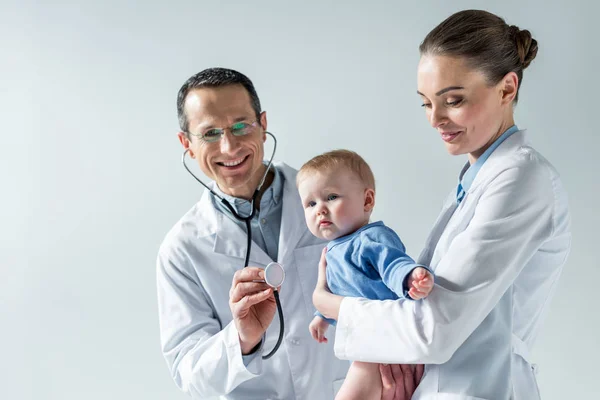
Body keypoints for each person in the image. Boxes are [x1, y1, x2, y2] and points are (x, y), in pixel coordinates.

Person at [312, 9, 571, 400]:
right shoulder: (475, 182)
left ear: (507, 88)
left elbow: (433, 329)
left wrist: (331, 304)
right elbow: (430, 317)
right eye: (426, 103)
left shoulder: (521, 179)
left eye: (453, 100)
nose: (436, 118)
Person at [156, 67, 351, 399]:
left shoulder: (331, 199)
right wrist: (242, 338)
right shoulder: (181, 250)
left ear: (263, 125)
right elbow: (191, 375)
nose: (230, 147)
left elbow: (379, 296)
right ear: (186, 143)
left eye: (240, 126)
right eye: (210, 133)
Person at [296, 149, 434, 400]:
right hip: (367, 343)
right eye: (311, 203)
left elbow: (393, 264)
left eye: (331, 197)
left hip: (383, 339)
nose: (320, 210)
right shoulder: (333, 250)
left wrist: (411, 277)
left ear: (367, 201)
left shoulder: (370, 239)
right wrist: (322, 317)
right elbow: (342, 290)